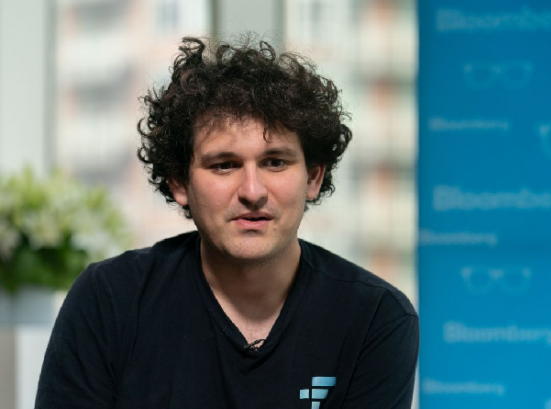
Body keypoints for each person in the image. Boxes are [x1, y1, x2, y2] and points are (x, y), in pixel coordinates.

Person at [35, 36, 419, 409]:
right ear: (179, 182)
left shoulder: (373, 317)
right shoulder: (110, 300)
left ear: (313, 177)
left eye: (275, 162)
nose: (252, 191)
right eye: (224, 165)